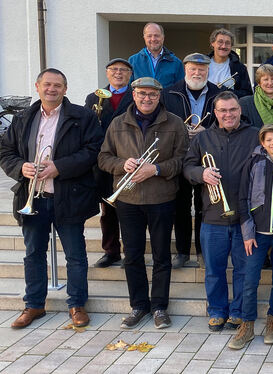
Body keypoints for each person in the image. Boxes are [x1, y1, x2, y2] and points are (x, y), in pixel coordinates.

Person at [0, 68, 103, 329]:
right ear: (37, 87)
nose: (52, 89)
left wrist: (60, 167)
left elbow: (93, 151)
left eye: (58, 85)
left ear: (65, 89)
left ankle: (77, 304)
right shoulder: (23, 118)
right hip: (33, 197)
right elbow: (5, 151)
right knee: (33, 253)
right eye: (47, 84)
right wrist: (20, 167)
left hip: (69, 197)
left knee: (76, 255)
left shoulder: (83, 116)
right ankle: (34, 304)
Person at [98, 77, 188, 330]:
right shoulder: (118, 123)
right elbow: (104, 158)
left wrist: (156, 169)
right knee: (132, 255)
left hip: (161, 199)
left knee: (161, 256)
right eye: (141, 94)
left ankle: (159, 306)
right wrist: (121, 164)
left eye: (152, 94)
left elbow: (183, 159)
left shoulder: (175, 123)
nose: (146, 98)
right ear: (134, 95)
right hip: (128, 200)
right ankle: (138, 305)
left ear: (159, 96)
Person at [182, 91, 259, 331]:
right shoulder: (202, 139)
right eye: (223, 110)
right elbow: (187, 166)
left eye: (232, 109)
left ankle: (237, 311)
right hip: (213, 216)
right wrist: (200, 174)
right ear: (215, 113)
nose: (228, 114)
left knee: (243, 270)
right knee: (214, 269)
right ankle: (216, 311)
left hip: (245, 217)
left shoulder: (255, 135)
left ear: (240, 110)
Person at [228, 124, 273, 349]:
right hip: (256, 235)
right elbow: (243, 200)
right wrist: (247, 234)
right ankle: (247, 325)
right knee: (250, 281)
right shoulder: (252, 163)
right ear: (262, 142)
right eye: (269, 140)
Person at [163, 52, 222, 269]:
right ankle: (182, 251)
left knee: (204, 205)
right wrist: (181, 130)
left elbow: (226, 119)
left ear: (208, 71)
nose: (197, 73)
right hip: (178, 154)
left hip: (207, 155)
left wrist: (208, 130)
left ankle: (202, 250)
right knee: (180, 205)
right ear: (185, 70)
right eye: (193, 69)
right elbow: (163, 121)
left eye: (202, 69)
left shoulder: (220, 93)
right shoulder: (170, 93)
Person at [84, 58, 134, 268]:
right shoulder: (92, 97)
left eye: (123, 70)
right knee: (108, 211)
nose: (118, 73)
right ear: (107, 73)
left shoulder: (137, 94)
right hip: (104, 162)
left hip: (129, 158)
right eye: (114, 70)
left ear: (130, 74)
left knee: (130, 211)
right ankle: (111, 251)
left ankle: (131, 253)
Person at [128, 23, 184, 88]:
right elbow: (129, 88)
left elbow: (180, 89)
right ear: (144, 38)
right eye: (149, 36)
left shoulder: (176, 63)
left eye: (156, 35)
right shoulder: (133, 61)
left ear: (163, 37)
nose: (153, 39)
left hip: (166, 98)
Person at [207, 28, 253, 98]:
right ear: (212, 43)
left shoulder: (240, 68)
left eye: (227, 43)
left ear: (231, 46)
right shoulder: (202, 64)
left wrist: (225, 91)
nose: (223, 46)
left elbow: (247, 94)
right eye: (220, 42)